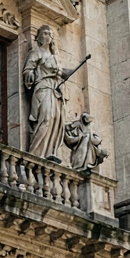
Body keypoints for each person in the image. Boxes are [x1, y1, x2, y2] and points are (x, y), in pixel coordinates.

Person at [23, 25, 82, 161]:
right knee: (46, 118)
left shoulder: (56, 56)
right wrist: (30, 76)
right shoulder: (35, 53)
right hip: (43, 87)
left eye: (50, 33)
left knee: (56, 120)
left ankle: (50, 151)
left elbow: (61, 72)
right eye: (44, 33)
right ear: (38, 37)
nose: (48, 36)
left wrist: (67, 73)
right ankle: (35, 154)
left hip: (56, 89)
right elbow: (28, 70)